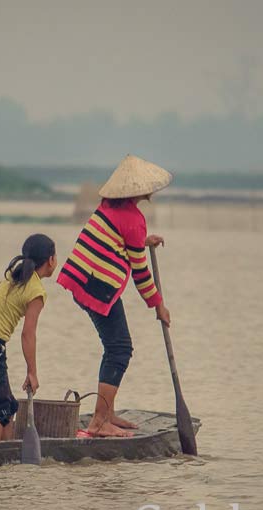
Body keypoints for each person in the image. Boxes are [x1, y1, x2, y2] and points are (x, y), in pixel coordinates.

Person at [57, 154, 172, 438]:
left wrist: (143, 242)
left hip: (82, 280)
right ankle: (99, 422)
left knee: (114, 347)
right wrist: (159, 306)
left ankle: (106, 412)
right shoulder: (134, 218)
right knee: (120, 349)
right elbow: (141, 273)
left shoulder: (109, 207)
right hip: (97, 286)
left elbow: (122, 239)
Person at [0, 234, 57, 444]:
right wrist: (32, 372)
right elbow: (28, 334)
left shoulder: (15, 276)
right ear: (51, 260)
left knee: (8, 407)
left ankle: (7, 463)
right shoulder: (36, 291)